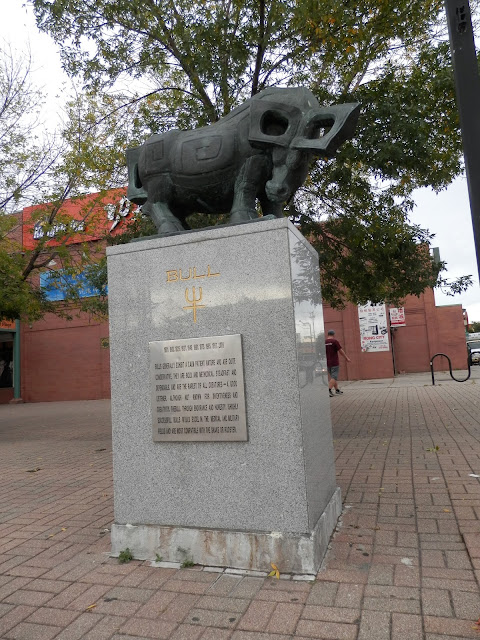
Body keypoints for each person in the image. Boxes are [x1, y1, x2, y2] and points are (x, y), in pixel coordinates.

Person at [325, 330, 351, 397]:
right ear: (333, 334)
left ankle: (337, 390)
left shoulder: (325, 342)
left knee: (333, 377)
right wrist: (346, 358)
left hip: (328, 363)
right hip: (334, 362)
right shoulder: (334, 341)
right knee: (334, 377)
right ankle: (328, 390)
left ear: (328, 334)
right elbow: (340, 351)